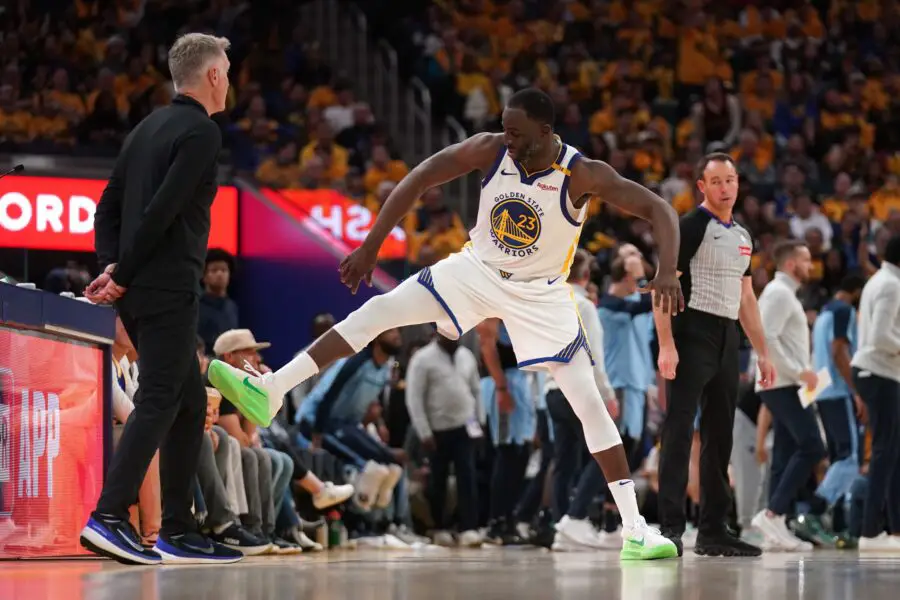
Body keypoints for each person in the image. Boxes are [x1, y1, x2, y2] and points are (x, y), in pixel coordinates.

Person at [210, 87, 684, 560]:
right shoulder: (491, 149)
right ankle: (273, 389)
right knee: (378, 311)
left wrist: (666, 270)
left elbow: (659, 209)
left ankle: (635, 529)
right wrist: (373, 243)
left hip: (540, 293)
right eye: (504, 129)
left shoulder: (581, 172)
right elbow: (421, 176)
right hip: (476, 270)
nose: (508, 139)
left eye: (517, 133)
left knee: (589, 402)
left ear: (545, 132)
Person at [80, 33, 243, 565]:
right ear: (213, 75)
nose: (229, 82)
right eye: (227, 72)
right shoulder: (202, 132)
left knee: (189, 401)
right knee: (158, 399)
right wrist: (122, 273)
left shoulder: (146, 128)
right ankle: (108, 516)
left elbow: (107, 206)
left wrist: (111, 267)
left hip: (138, 288)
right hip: (166, 285)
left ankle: (179, 527)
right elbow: (165, 210)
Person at [655, 153, 776, 558]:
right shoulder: (690, 226)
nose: (725, 188)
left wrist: (763, 353)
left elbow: (747, 299)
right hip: (692, 331)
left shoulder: (742, 235)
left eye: (731, 180)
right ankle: (670, 528)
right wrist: (666, 344)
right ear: (702, 187)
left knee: (719, 436)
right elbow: (662, 287)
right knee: (678, 430)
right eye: (717, 181)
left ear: (738, 183)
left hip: (728, 338)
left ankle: (713, 531)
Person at [750, 240, 821, 551]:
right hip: (782, 382)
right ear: (791, 264)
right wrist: (798, 372)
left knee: (784, 453)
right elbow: (766, 338)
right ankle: (772, 514)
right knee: (813, 446)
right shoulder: (779, 293)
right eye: (806, 260)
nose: (811, 266)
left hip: (785, 382)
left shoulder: (785, 294)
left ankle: (775, 525)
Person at [549, 249, 620, 552]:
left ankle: (562, 527)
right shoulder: (585, 306)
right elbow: (595, 357)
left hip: (552, 390)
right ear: (587, 275)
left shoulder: (550, 304)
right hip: (578, 389)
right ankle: (575, 518)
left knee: (564, 463)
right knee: (604, 454)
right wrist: (608, 394)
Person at [405, 331, 483, 547]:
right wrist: (424, 432)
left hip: (465, 427)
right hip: (437, 430)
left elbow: (475, 391)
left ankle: (469, 527)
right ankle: (439, 527)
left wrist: (479, 422)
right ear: (437, 332)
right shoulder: (422, 358)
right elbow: (414, 398)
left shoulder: (466, 356)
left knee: (467, 477)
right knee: (437, 480)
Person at [807, 273, 866, 543]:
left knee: (837, 460)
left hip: (821, 390)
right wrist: (857, 390)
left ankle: (840, 525)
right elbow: (839, 350)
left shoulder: (823, 313)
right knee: (850, 458)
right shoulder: (844, 311)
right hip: (839, 390)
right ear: (857, 292)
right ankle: (815, 509)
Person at [851, 234, 900, 551]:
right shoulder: (892, 285)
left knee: (892, 452)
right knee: (884, 451)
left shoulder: (879, 280)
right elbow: (880, 336)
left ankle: (894, 530)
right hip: (879, 371)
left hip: (878, 371)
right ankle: (869, 532)